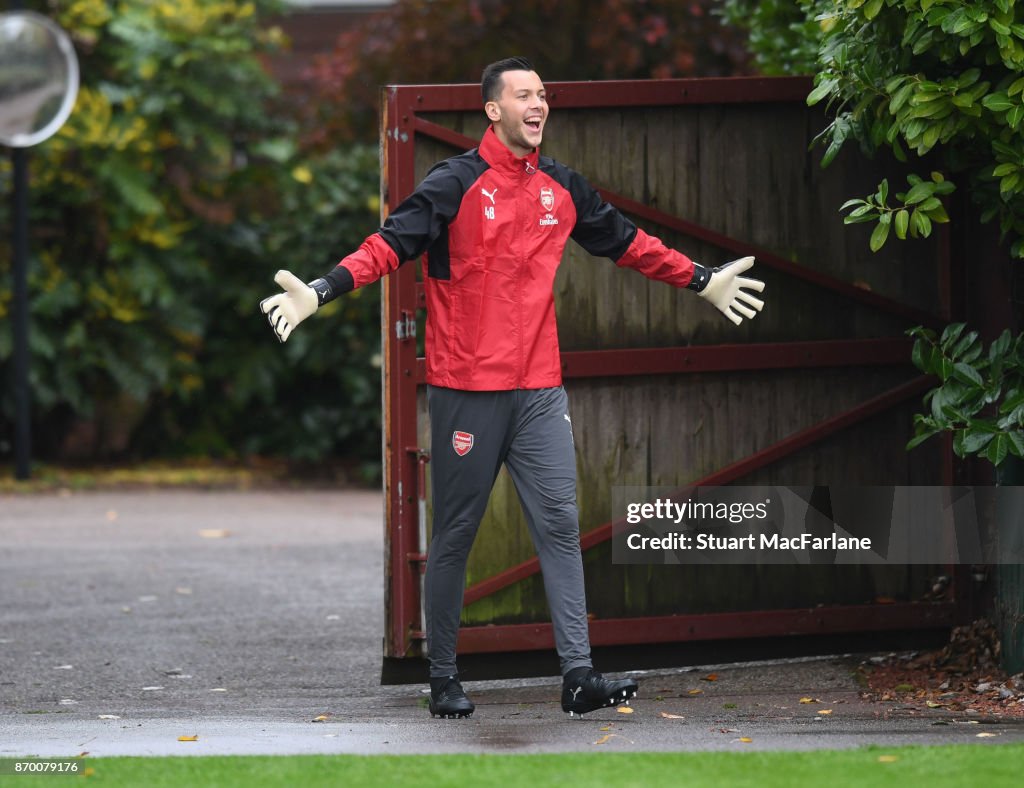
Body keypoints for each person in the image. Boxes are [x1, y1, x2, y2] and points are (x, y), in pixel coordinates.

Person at [260, 56, 766, 719]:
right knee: (457, 535)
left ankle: (579, 676)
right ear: (493, 110)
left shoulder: (561, 187)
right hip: (467, 390)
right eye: (523, 95)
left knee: (560, 523)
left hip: (539, 391)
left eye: (544, 94)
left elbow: (627, 242)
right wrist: (321, 290)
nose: (539, 104)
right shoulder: (455, 182)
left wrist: (701, 279)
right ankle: (443, 678)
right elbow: (390, 245)